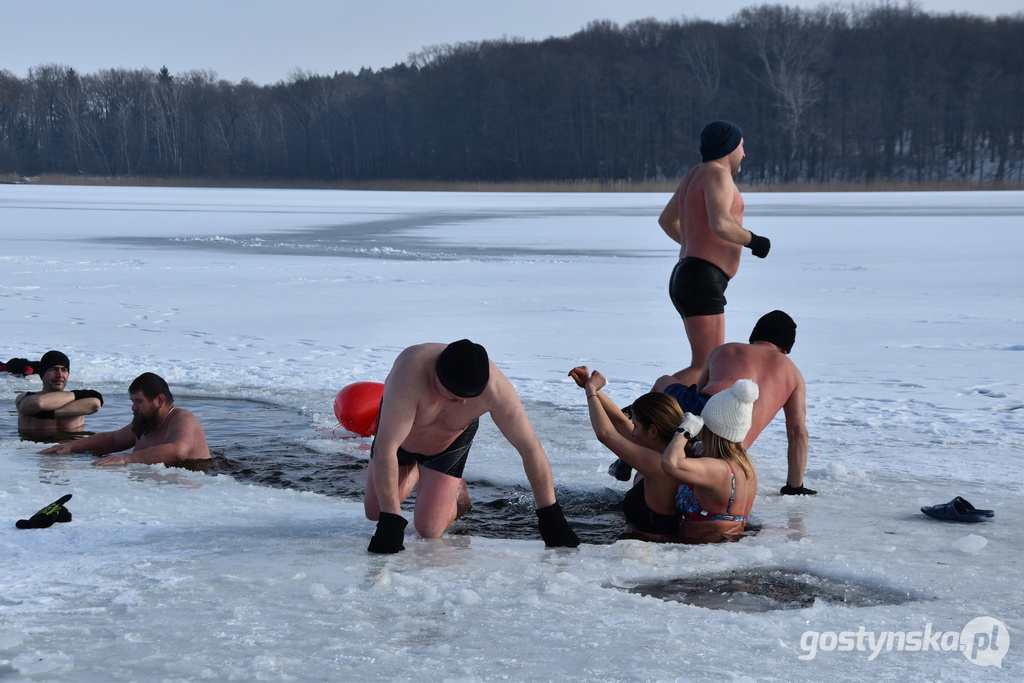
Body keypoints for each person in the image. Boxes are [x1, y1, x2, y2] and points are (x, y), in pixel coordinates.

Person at [364, 339, 579, 553]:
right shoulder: (410, 373)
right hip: (399, 441)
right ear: (437, 376)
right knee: (375, 511)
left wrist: (550, 514)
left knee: (429, 530)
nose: (463, 404)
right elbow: (386, 448)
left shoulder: (496, 388)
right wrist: (390, 521)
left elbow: (529, 447)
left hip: (448, 443)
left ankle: (453, 490)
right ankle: (420, 474)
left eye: (470, 397)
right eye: (454, 397)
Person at [657, 120, 771, 388]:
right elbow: (720, 223)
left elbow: (666, 220)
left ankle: (653, 417)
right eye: (742, 146)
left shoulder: (695, 174)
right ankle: (637, 415)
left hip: (691, 274)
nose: (744, 153)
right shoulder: (718, 175)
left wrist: (696, 243)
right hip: (701, 278)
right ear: (729, 147)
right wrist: (755, 241)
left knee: (706, 363)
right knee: (704, 366)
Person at [654, 310, 814, 495]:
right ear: (785, 349)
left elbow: (697, 393)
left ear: (754, 337)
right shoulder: (793, 374)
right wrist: (795, 487)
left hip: (703, 415)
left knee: (663, 382)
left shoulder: (726, 349)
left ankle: (635, 437)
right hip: (735, 445)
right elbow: (798, 433)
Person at [569, 366, 687, 540]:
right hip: (637, 544)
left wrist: (591, 392)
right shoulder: (663, 448)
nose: (632, 432)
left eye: (636, 426)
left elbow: (606, 434)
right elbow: (618, 422)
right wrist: (589, 386)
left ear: (653, 431)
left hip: (649, 551)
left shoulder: (658, 463)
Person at [660, 379, 760, 542]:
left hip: (702, 550)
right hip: (724, 544)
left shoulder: (718, 468)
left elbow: (670, 463)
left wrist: (684, 432)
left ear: (710, 428)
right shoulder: (745, 464)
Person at [39, 372, 210, 466]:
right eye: (132, 401)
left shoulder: (183, 419)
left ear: (160, 400)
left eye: (139, 401)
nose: (133, 408)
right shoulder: (145, 422)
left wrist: (126, 458)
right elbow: (113, 439)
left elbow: (179, 451)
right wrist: (71, 446)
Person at [15, 350, 103, 433]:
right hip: (35, 447)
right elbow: (38, 403)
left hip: (71, 447)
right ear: (42, 374)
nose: (60, 375)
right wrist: (79, 395)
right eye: (53, 369)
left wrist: (50, 414)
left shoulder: (78, 400)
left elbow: (95, 404)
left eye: (64, 370)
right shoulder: (24, 398)